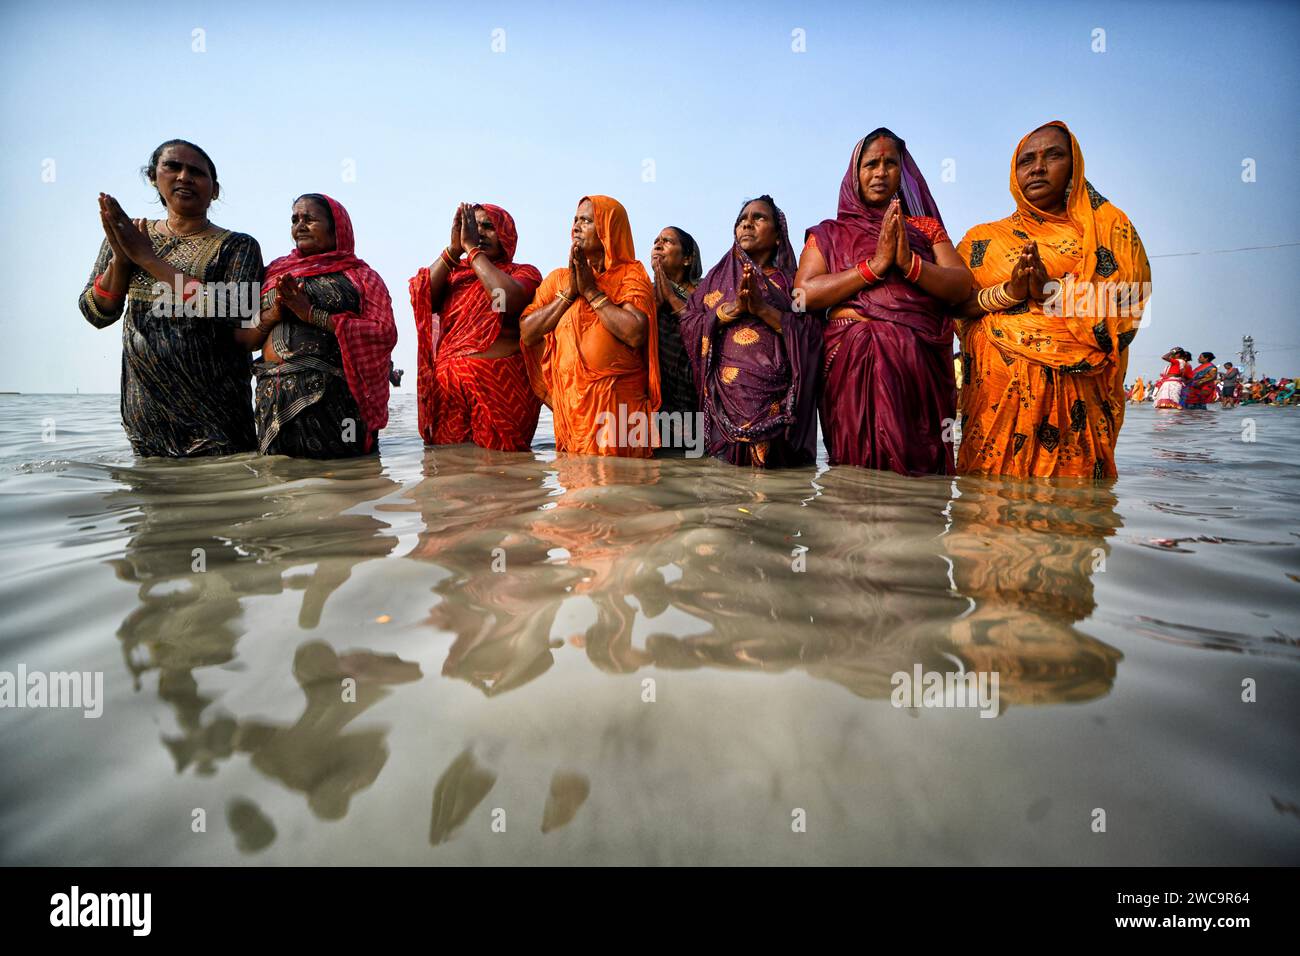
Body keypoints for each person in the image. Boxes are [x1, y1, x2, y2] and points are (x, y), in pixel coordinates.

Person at [954, 121, 1151, 477]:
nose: (1038, 168)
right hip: (993, 408)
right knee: (984, 513)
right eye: (1026, 160)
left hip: (1079, 404)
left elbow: (1128, 304)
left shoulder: (1106, 229)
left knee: (1073, 512)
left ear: (1074, 165)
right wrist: (1009, 293)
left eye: (1053, 156)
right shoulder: (982, 240)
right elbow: (956, 306)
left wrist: (1051, 292)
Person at [796, 129, 971, 475]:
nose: (880, 173)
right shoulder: (828, 232)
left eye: (890, 163)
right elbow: (804, 294)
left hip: (916, 364)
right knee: (852, 479)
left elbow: (961, 285)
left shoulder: (924, 228)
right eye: (871, 164)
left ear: (902, 172)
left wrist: (910, 265)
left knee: (917, 475)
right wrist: (873, 267)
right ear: (854, 173)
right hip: (851, 361)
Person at [79, 139, 262, 457]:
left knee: (226, 501)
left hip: (218, 417)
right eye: (172, 167)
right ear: (153, 177)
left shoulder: (236, 246)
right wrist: (122, 261)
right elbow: (97, 313)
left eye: (196, 172)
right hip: (146, 415)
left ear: (214, 189)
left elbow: (238, 310)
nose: (184, 177)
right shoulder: (128, 236)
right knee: (153, 501)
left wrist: (148, 260)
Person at [239, 195, 396, 457]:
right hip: (273, 399)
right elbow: (247, 338)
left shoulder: (361, 276)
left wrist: (312, 314)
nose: (299, 226)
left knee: (346, 482)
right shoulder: (272, 273)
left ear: (337, 228)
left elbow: (383, 331)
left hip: (336, 399)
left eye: (309, 219)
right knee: (279, 486)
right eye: (294, 219)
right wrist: (275, 312)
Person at [680, 196, 821, 467]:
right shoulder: (714, 280)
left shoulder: (794, 284)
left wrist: (762, 310)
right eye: (742, 220)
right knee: (725, 496)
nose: (747, 224)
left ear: (779, 236)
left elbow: (812, 334)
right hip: (725, 404)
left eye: (759, 218)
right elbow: (689, 323)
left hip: (778, 403)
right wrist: (727, 311)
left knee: (776, 495)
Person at [520, 196, 658, 457]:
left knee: (623, 490)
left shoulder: (631, 274)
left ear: (608, 228)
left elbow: (636, 332)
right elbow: (527, 332)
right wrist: (570, 293)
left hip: (620, 413)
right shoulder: (558, 280)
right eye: (574, 220)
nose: (575, 227)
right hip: (572, 412)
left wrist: (592, 293)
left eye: (586, 220)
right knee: (575, 491)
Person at [409, 203, 543, 451]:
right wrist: (453, 249)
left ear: (506, 234)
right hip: (447, 393)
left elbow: (504, 298)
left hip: (499, 392)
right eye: (473, 227)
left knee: (502, 474)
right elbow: (422, 297)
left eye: (488, 227)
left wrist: (471, 249)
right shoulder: (453, 275)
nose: (479, 232)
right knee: (450, 472)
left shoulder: (523, 273)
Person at [649, 226, 704, 432]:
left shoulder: (704, 292)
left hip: (695, 395)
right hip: (659, 399)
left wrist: (672, 299)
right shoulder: (644, 291)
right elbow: (635, 335)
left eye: (667, 241)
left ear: (687, 259)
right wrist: (656, 301)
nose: (658, 245)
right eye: (656, 241)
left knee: (695, 458)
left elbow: (706, 330)